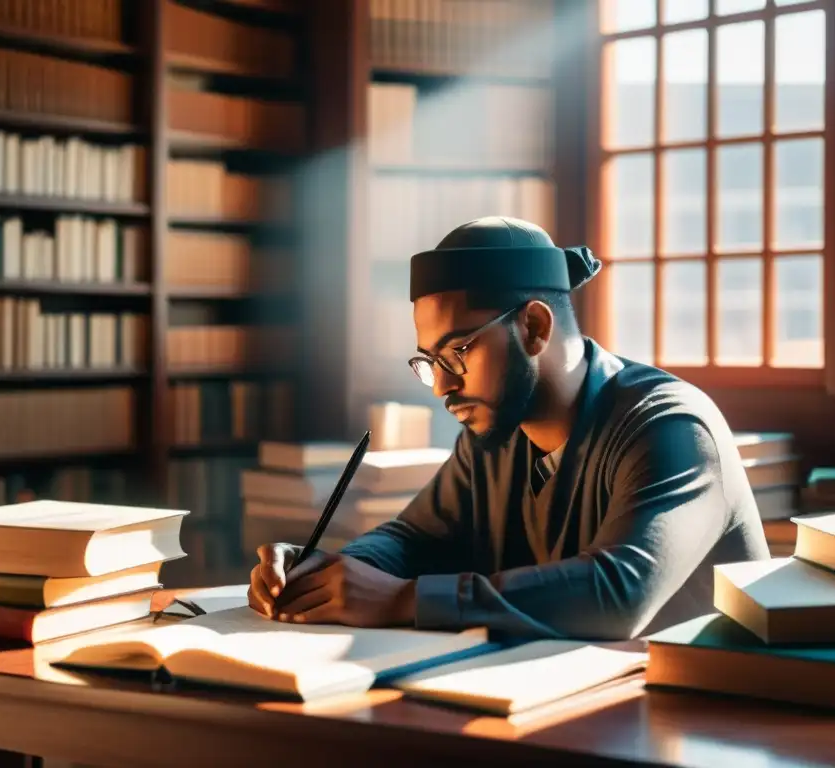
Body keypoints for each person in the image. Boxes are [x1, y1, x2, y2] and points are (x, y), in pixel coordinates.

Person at [248, 216, 770, 640]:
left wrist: (401, 600)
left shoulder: (671, 427)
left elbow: (619, 593)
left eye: (458, 352)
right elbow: (415, 540)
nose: (441, 388)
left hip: (703, 731)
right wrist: (326, 573)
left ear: (535, 328)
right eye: (430, 360)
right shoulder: (494, 439)